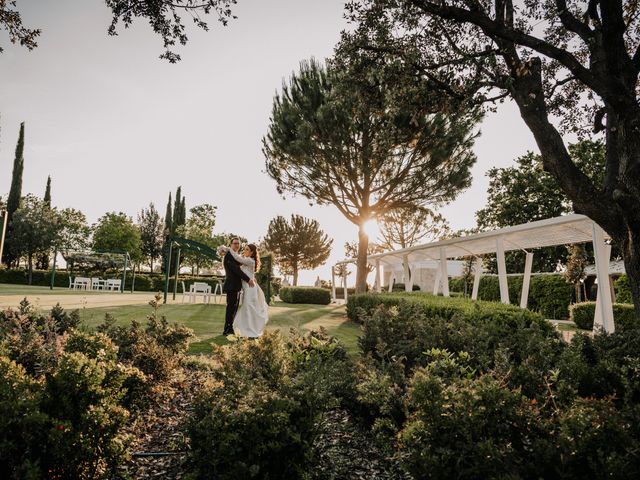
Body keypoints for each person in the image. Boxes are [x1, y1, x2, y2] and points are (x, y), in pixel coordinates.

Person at [218, 242, 269, 338]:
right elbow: (237, 267)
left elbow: (237, 259)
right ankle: (245, 328)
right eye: (244, 249)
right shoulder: (246, 260)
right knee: (247, 307)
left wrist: (229, 250)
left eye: (247, 249)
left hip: (250, 288)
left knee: (248, 307)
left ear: (252, 252)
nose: (244, 251)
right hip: (246, 288)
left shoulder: (250, 261)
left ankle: (250, 329)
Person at [221, 238, 254, 336]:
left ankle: (230, 328)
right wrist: (248, 279)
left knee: (234, 308)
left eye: (238, 244)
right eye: (235, 243)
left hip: (236, 286)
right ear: (230, 245)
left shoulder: (235, 256)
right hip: (231, 285)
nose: (237, 245)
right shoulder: (229, 255)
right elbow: (236, 270)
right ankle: (227, 329)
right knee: (231, 308)